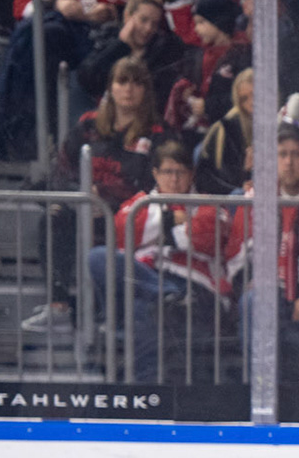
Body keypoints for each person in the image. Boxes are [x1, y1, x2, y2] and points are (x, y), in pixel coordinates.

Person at [23, 56, 166, 334]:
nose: (129, 89)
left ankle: (108, 313)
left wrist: (110, 205)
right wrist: (69, 197)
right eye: (122, 81)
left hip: (127, 218)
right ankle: (59, 307)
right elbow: (60, 172)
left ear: (146, 91)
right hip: (83, 211)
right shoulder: (88, 126)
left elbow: (157, 187)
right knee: (54, 218)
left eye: (137, 83)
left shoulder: (157, 134)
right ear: (111, 87)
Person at [203, 123, 299, 384]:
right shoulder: (255, 198)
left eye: (296, 154)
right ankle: (262, 392)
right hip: (270, 291)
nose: (289, 162)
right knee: (254, 301)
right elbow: (236, 259)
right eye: (282, 154)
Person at [94, 139, 224, 380]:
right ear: (155, 173)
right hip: (153, 284)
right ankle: (164, 293)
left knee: (143, 308)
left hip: (193, 288)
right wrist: (172, 222)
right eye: (167, 172)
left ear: (191, 174)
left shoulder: (210, 203)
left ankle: (145, 388)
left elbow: (205, 236)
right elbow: (124, 231)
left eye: (180, 172)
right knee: (98, 257)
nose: (174, 179)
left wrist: (154, 232)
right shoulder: (137, 203)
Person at [0, 0, 119, 162]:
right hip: (62, 36)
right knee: (37, 36)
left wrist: (119, 12)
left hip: (114, 37)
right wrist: (55, 6)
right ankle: (25, 136)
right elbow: (22, 9)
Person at [165, 0, 250, 139]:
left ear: (219, 23)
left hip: (229, 130)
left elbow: (243, 97)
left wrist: (208, 106)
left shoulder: (242, 54)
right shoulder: (199, 54)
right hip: (198, 128)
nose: (196, 29)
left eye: (201, 23)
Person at [76, 0, 187, 105]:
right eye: (143, 20)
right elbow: (86, 77)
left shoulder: (163, 49)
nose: (148, 28)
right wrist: (121, 45)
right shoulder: (109, 37)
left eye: (154, 24)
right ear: (127, 16)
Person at [193, 66, 254, 194]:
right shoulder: (226, 129)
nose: (251, 102)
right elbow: (211, 179)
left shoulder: (280, 121)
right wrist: (246, 171)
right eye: (244, 99)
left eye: (254, 95)